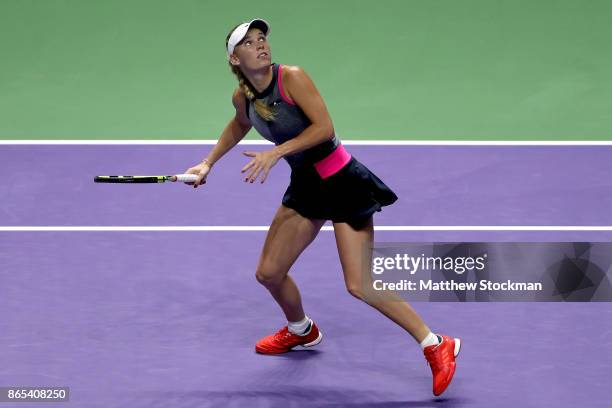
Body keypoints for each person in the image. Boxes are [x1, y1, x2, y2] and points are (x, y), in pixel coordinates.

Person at [184, 18, 460, 396]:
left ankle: (435, 343)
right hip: (307, 186)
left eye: (262, 38)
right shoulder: (244, 98)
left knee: (359, 284)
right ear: (235, 58)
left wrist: (276, 153)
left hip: (342, 181)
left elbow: (323, 128)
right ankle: (302, 331)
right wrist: (208, 162)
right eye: (249, 43)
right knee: (269, 273)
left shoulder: (292, 77)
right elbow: (238, 124)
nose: (261, 45)